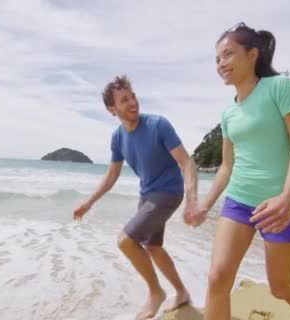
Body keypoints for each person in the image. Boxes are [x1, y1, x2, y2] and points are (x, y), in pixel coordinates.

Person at [186, 22, 290, 320]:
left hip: (282, 205)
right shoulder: (229, 113)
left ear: (252, 54)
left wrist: (287, 197)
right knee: (217, 277)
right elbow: (227, 166)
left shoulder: (279, 87)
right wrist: (204, 205)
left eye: (228, 54)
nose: (221, 64)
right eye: (217, 58)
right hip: (239, 202)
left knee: (280, 288)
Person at [73, 75, 198, 320]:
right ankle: (182, 292)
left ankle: (156, 292)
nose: (132, 103)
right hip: (148, 195)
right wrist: (89, 202)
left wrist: (192, 199)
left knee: (125, 241)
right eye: (124, 100)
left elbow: (187, 162)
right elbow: (111, 176)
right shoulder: (118, 138)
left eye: (133, 96)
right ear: (112, 109)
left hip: (169, 192)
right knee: (153, 247)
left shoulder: (158, 125)